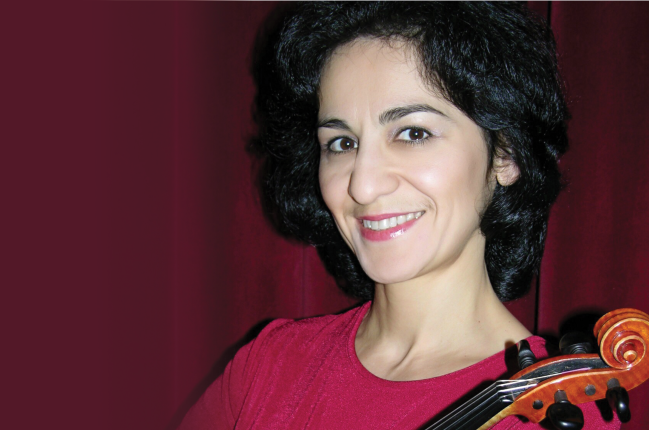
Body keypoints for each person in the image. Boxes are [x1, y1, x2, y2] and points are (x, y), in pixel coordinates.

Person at [180, 3, 619, 429]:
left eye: (412, 133)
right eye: (342, 143)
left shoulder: (550, 415)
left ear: (504, 154)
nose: (362, 185)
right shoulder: (270, 364)